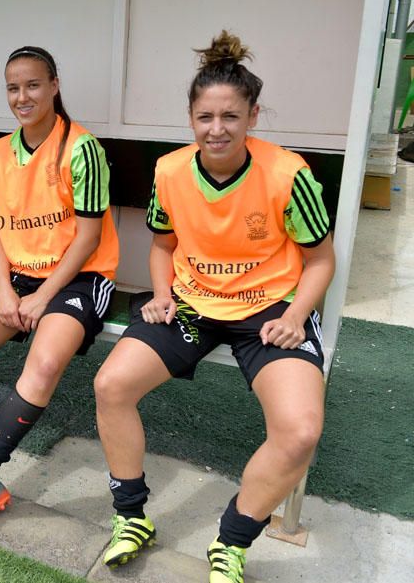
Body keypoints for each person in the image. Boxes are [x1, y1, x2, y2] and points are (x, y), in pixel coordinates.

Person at [92, 31, 334, 583]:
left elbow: (320, 261)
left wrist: (295, 317)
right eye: (205, 116)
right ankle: (131, 517)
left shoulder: (287, 174)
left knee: (299, 431)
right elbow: (162, 245)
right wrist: (159, 295)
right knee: (111, 385)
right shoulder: (171, 171)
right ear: (190, 117)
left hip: (268, 312)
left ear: (252, 116)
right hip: (193, 305)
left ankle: (232, 539)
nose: (217, 128)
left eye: (231, 116)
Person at [0, 46, 118, 530]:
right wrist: (3, 291)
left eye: (33, 85)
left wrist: (42, 296)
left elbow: (90, 237)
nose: (23, 96)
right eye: (14, 88)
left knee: (42, 363)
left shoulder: (82, 149)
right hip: (14, 275)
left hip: (79, 275)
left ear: (55, 85)